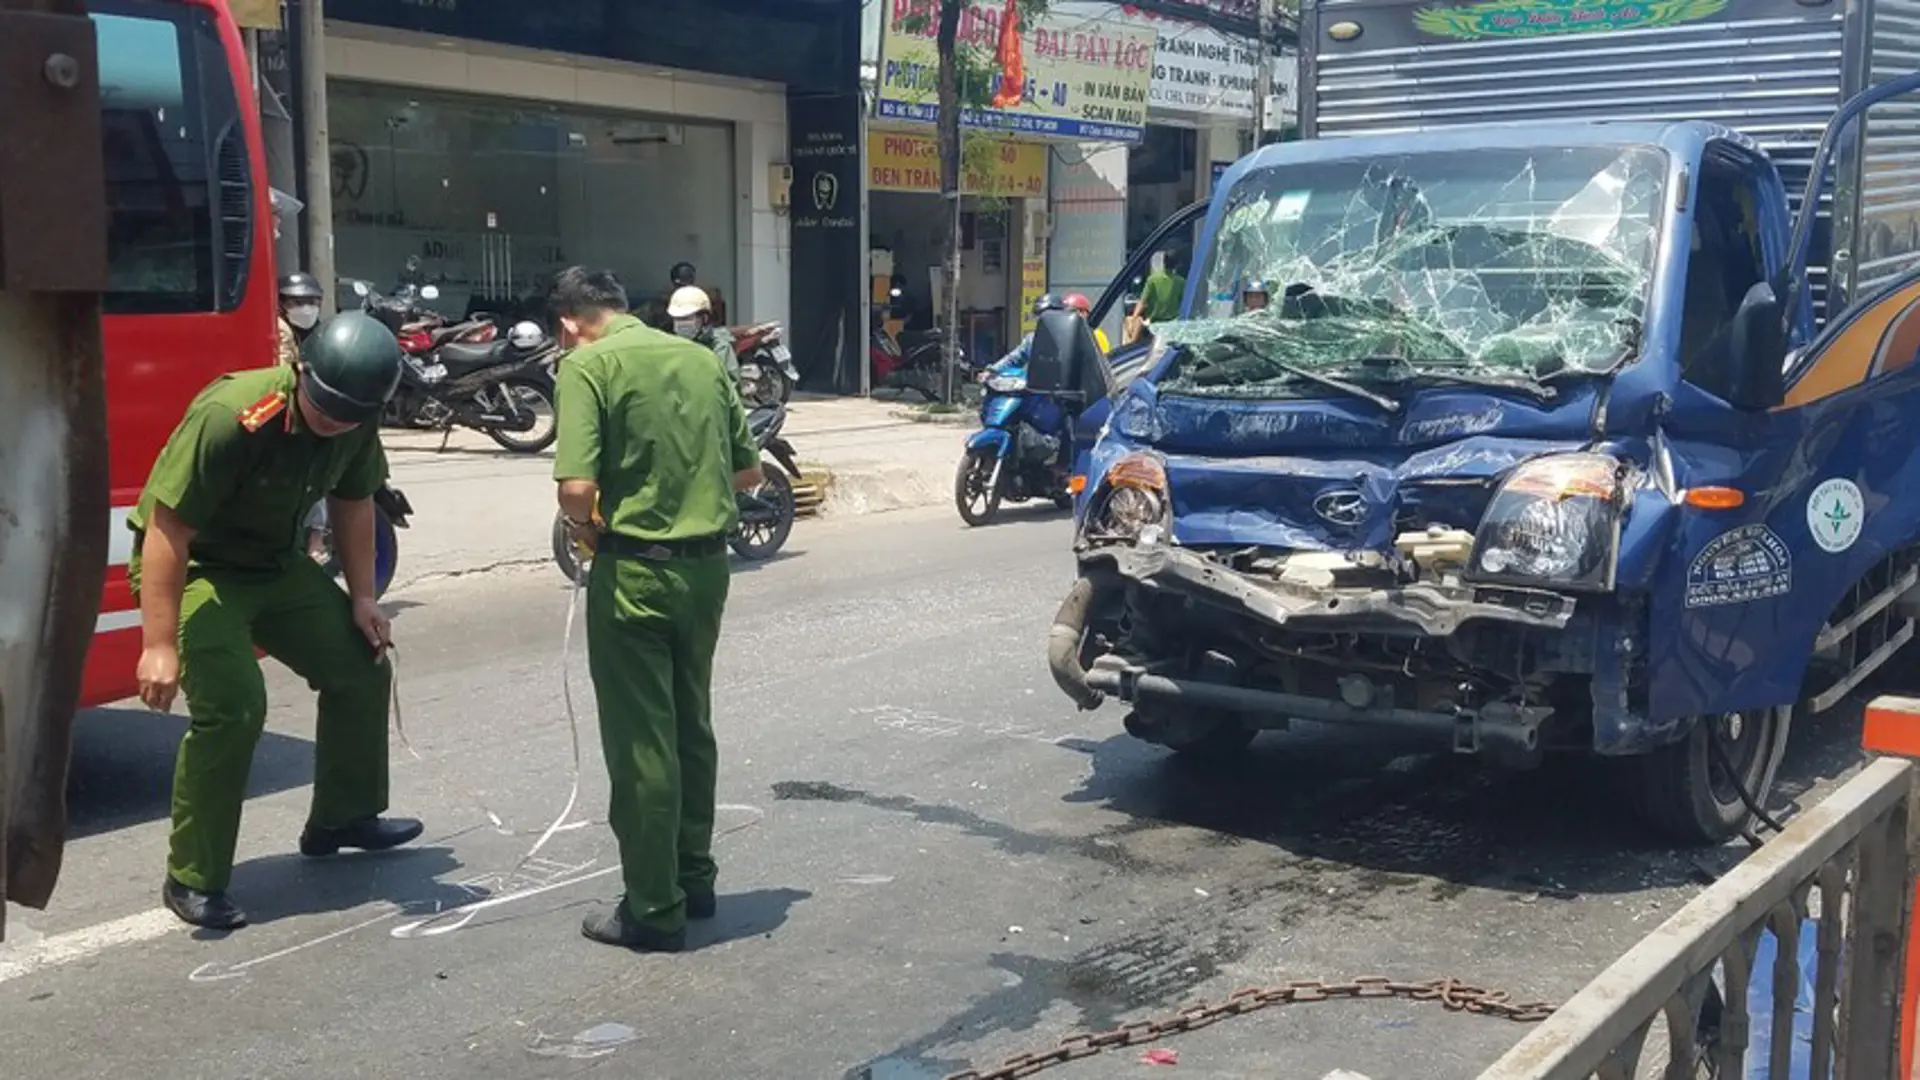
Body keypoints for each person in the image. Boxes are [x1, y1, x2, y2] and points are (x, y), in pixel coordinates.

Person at [129, 310, 422, 931]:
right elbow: (166, 529)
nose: (334, 421)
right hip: (199, 569)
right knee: (235, 706)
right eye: (325, 406)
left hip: (273, 566)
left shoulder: (355, 418)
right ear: (301, 371)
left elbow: (353, 502)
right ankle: (193, 877)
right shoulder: (235, 413)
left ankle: (342, 817)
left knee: (359, 662)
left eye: (349, 413)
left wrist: (364, 597)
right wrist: (158, 644)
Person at [550, 266, 762, 953]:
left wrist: (589, 527)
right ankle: (694, 878)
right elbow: (747, 472)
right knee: (689, 726)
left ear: (568, 323)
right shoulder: (700, 359)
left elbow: (577, 490)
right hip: (707, 573)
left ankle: (654, 907)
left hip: (635, 574)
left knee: (643, 741)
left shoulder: (587, 366)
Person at [985, 293, 1107, 378]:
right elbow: (1014, 358)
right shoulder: (1033, 339)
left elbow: (1099, 369)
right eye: (1040, 317)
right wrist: (991, 370)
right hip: (1036, 392)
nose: (1044, 321)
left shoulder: (1089, 336)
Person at [667, 285, 739, 381]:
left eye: (687, 318)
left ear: (704, 318)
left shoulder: (719, 348)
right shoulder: (670, 346)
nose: (681, 323)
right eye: (678, 319)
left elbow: (731, 385)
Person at [276, 273, 325, 368]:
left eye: (312, 302)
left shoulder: (324, 333)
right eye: (298, 302)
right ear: (280, 304)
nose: (306, 308)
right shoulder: (279, 333)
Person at [1131, 250, 1187, 327]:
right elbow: (1184, 304)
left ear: (1163, 263)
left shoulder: (1152, 279)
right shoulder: (1181, 282)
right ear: (1177, 265)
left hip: (1153, 323)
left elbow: (1142, 302)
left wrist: (1133, 318)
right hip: (1173, 324)